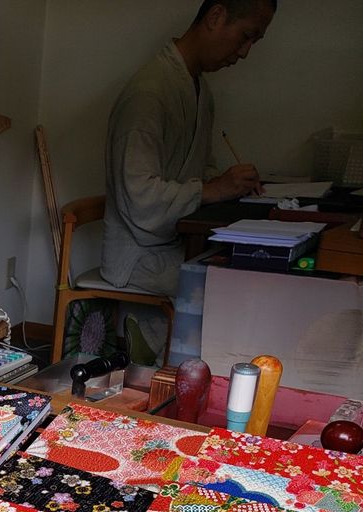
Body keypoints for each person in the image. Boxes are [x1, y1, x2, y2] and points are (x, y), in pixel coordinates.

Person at [101, 0, 276, 297]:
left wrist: (232, 185)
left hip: (174, 243)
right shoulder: (148, 93)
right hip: (139, 257)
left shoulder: (200, 90)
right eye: (245, 36)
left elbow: (199, 168)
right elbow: (139, 198)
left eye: (254, 42)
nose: (245, 52)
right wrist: (214, 189)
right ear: (216, 16)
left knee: (262, 267)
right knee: (244, 287)